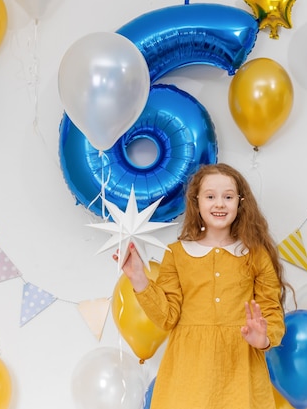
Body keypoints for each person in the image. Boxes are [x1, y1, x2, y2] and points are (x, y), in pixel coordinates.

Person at [114, 163, 292, 409]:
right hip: (189, 372)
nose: (219, 204)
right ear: (196, 202)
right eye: (210, 196)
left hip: (240, 369)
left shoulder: (256, 255)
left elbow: (271, 311)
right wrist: (138, 278)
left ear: (240, 203)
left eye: (228, 197)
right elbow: (167, 317)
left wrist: (263, 338)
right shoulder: (177, 253)